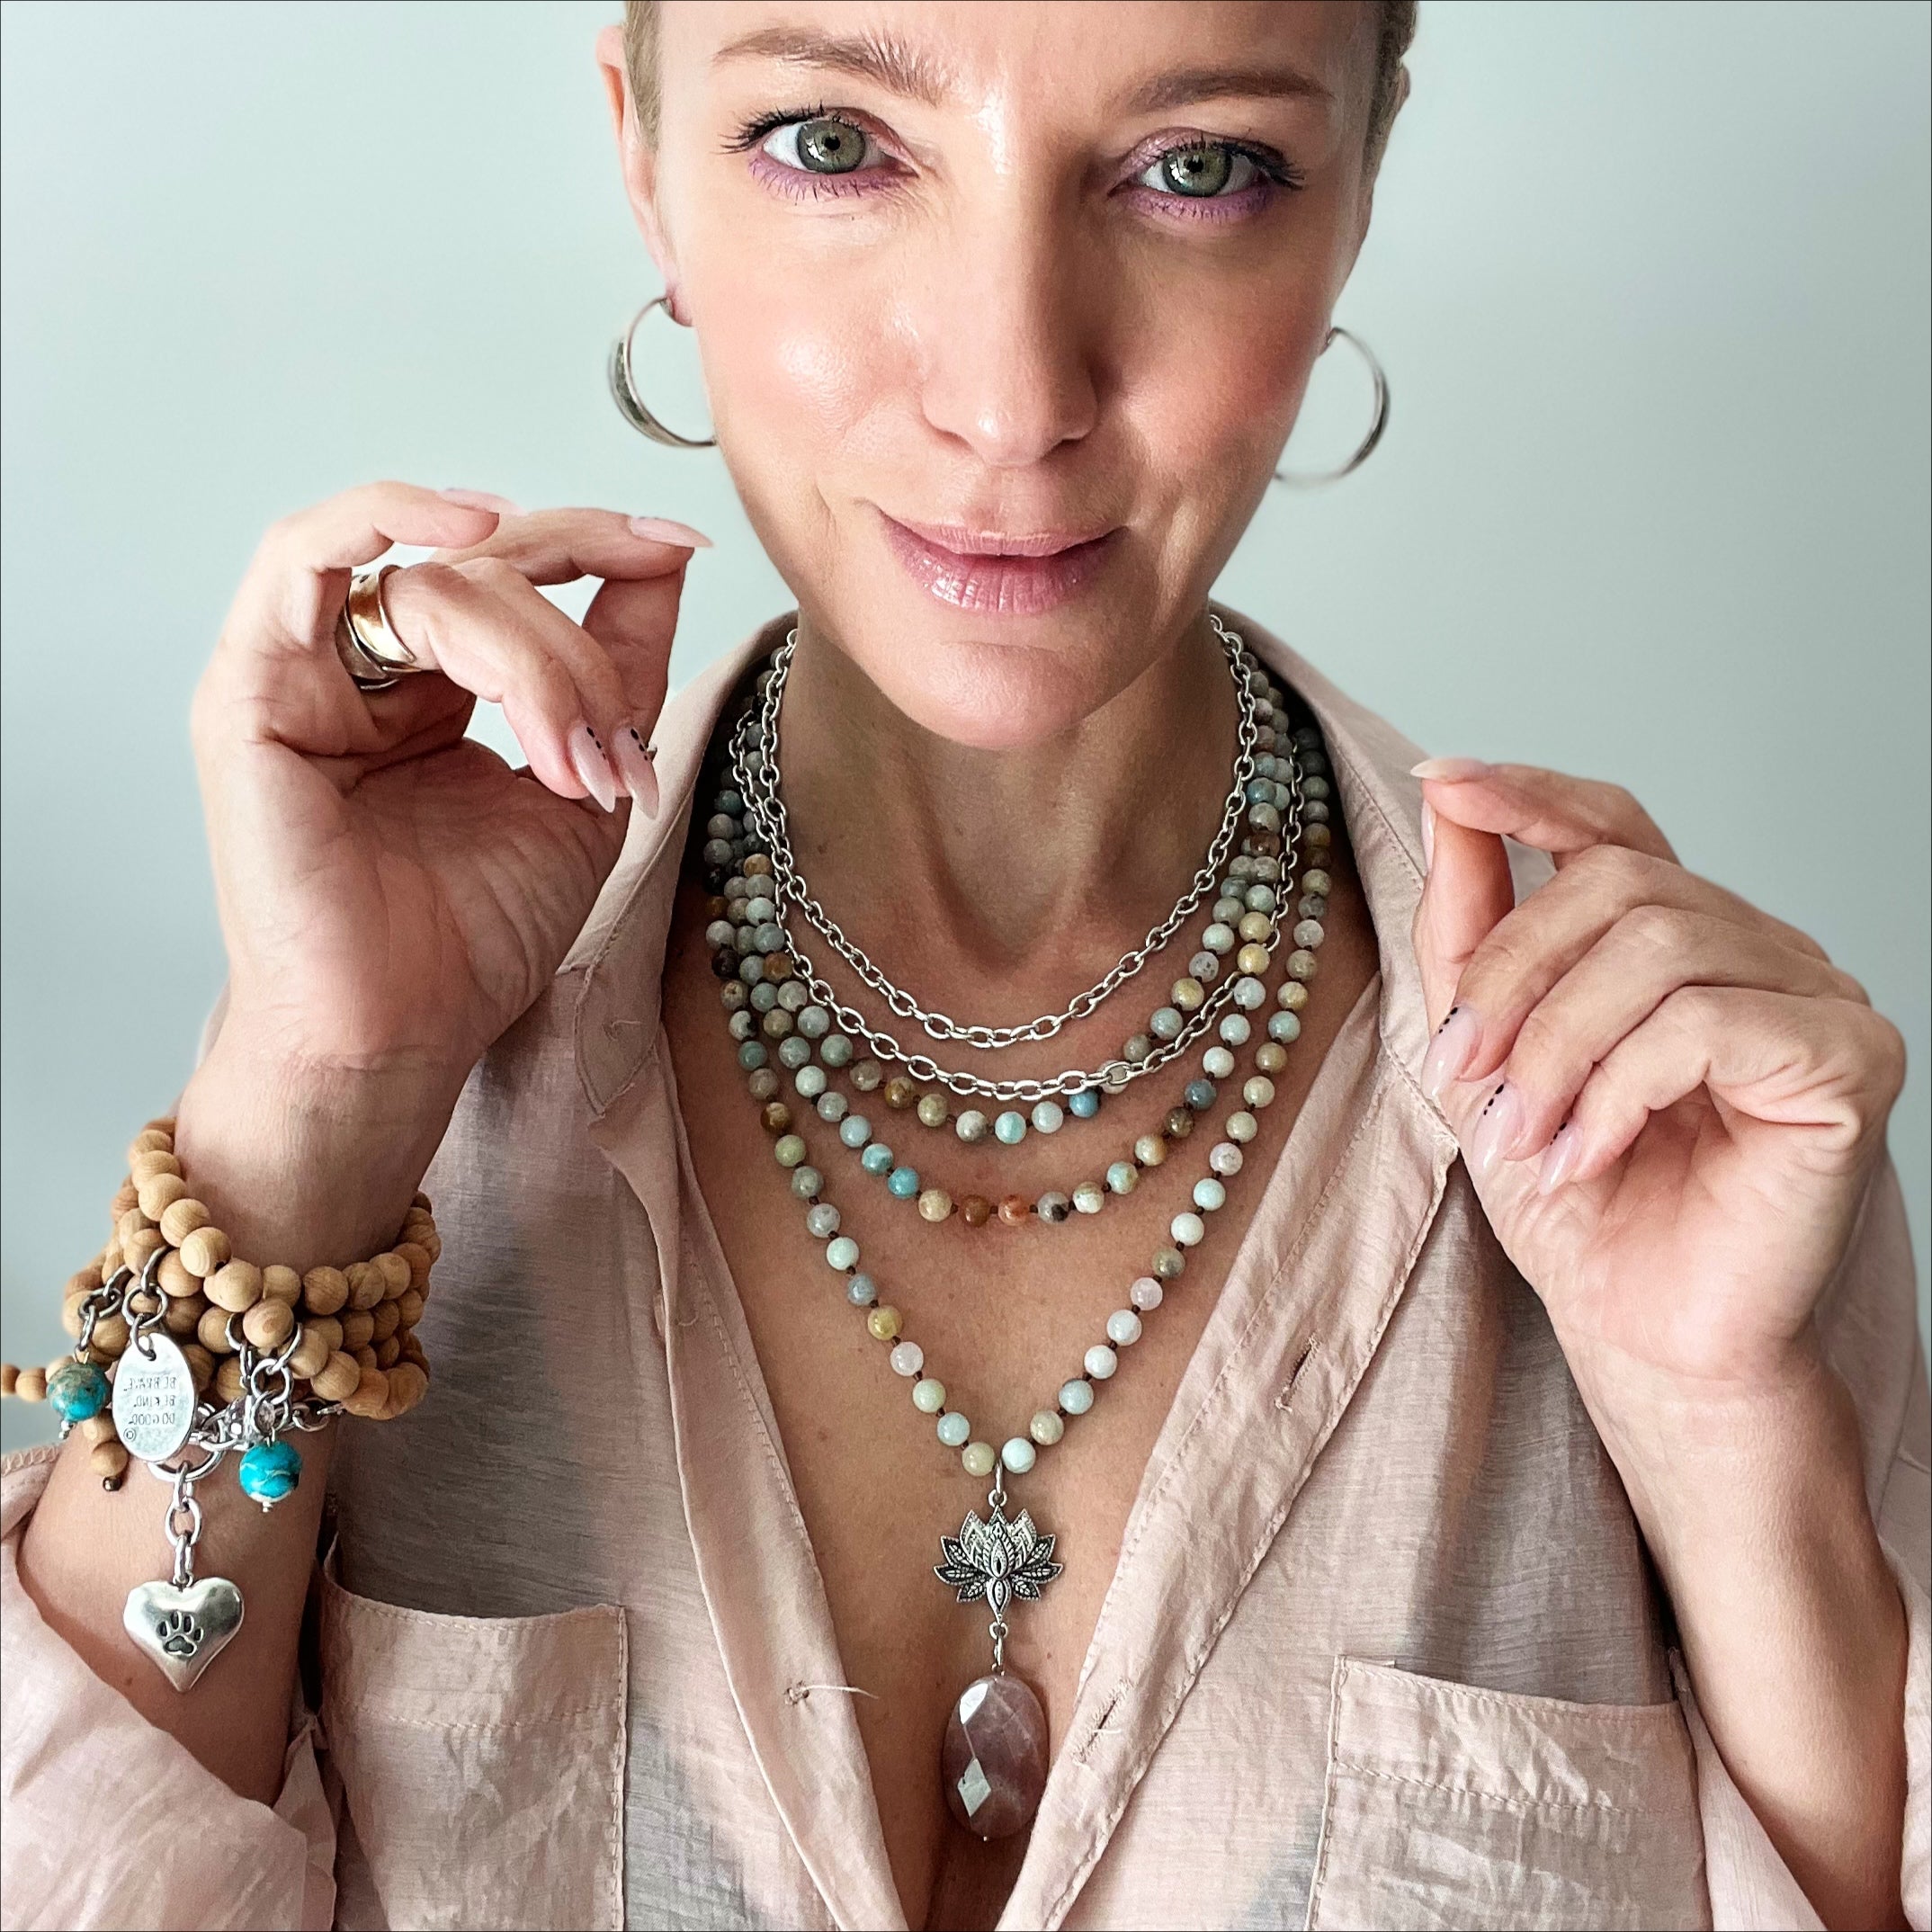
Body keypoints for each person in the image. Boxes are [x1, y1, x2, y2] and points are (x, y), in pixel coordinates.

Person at [2, 4, 1925, 1928]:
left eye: (1197, 168)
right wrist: (313, 1110)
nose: (1012, 402)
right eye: (834, 145)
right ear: (643, 156)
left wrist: (1721, 1433)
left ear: (1359, 185)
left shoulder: (1658, 1113)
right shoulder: (422, 1056)